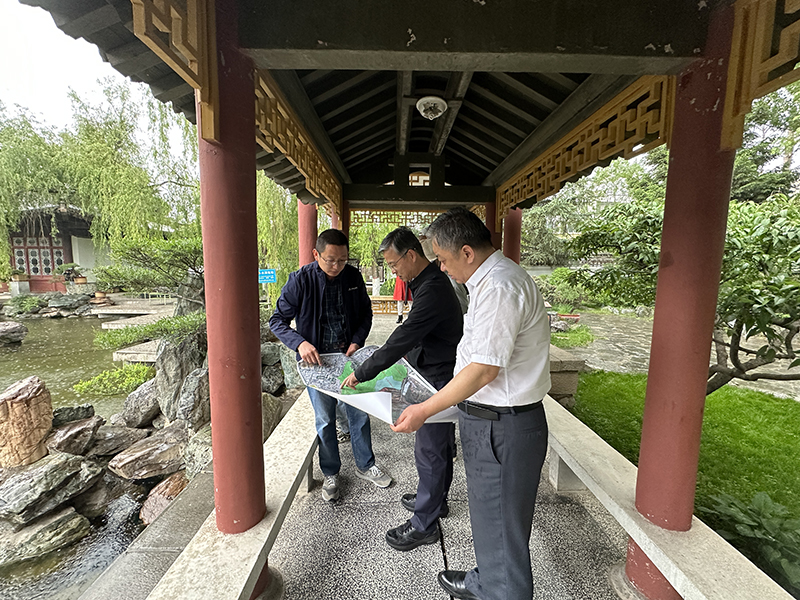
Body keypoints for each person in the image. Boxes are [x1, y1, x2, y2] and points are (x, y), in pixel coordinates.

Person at [392, 207, 550, 600]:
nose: (441, 267)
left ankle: (501, 589)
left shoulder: (500, 287)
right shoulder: (488, 282)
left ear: (466, 252)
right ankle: (486, 581)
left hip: (503, 425)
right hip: (491, 419)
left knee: (502, 525)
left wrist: (425, 410)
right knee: (491, 519)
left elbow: (482, 371)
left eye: (443, 259)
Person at [341, 227, 463, 551]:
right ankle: (435, 501)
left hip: (437, 377)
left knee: (431, 450)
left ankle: (425, 525)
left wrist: (362, 373)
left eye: (394, 264)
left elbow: (402, 339)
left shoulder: (432, 289)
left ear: (411, 255)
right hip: (434, 369)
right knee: (439, 447)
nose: (393, 271)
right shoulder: (426, 282)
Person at [270, 229, 392, 502]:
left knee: (359, 414)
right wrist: (300, 343)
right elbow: (277, 321)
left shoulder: (353, 277)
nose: (337, 266)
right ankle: (331, 472)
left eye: (343, 260)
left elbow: (366, 313)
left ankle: (365, 465)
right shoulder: (300, 280)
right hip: (317, 362)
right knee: (325, 420)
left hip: (348, 359)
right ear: (316, 254)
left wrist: (357, 340)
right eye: (330, 260)